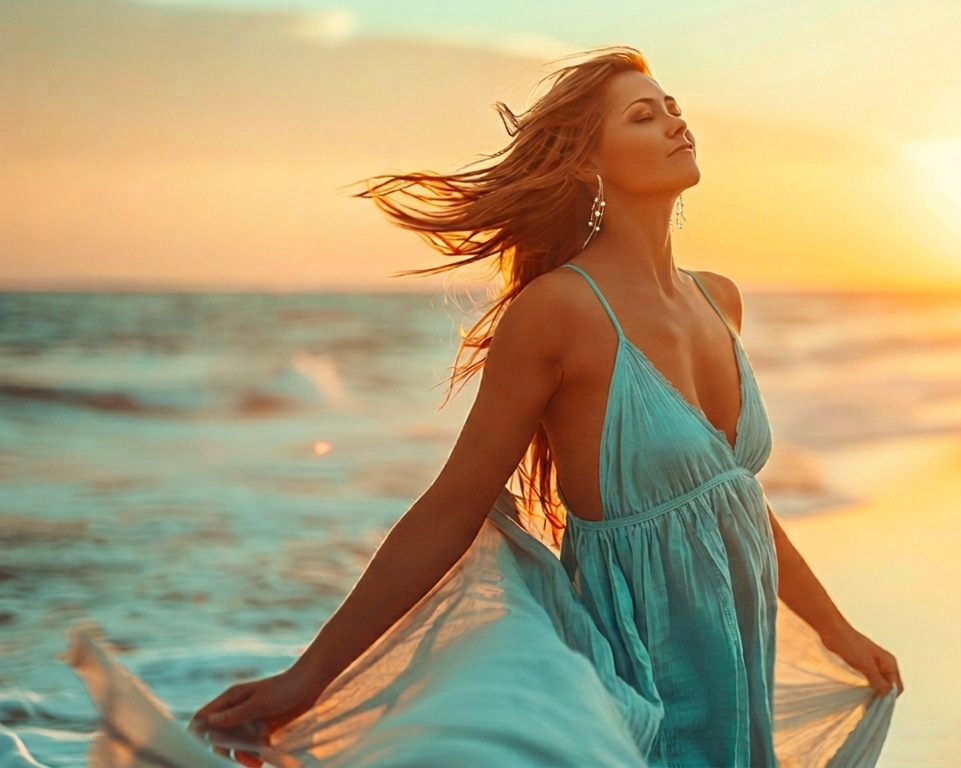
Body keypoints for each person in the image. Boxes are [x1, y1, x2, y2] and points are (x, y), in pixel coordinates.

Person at [67, 46, 900, 768]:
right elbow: (452, 506)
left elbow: (734, 505)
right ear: (589, 163)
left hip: (735, 666)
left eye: (674, 108)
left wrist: (837, 632)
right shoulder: (561, 311)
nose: (677, 123)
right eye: (644, 116)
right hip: (641, 674)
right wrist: (308, 676)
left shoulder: (719, 300)